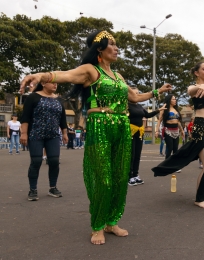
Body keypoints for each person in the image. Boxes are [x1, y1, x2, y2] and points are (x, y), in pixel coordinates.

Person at [20, 30, 172, 245]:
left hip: (121, 127)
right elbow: (66, 75)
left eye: (116, 44)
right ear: (99, 48)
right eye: (111, 44)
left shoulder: (118, 77)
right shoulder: (90, 70)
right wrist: (42, 76)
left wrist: (158, 91)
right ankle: (98, 225)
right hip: (100, 125)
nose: (116, 48)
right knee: (104, 178)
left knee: (120, 177)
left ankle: (112, 221)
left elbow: (135, 97)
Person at [152, 61, 204, 209]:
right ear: (197, 73)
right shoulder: (196, 88)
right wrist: (199, 86)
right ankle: (199, 198)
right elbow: (190, 91)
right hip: (200, 127)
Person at [20, 82, 68, 201]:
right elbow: (25, 116)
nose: (55, 85)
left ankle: (53, 187)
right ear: (43, 83)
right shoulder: (33, 97)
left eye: (56, 83)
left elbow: (62, 118)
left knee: (54, 161)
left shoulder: (59, 99)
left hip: (53, 135)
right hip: (36, 134)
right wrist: (24, 133)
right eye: (52, 83)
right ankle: (33, 190)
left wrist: (65, 133)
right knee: (36, 161)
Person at [128, 87, 166, 186]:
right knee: (131, 155)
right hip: (129, 132)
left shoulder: (139, 106)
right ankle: (129, 176)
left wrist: (159, 110)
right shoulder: (125, 105)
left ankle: (136, 175)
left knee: (137, 154)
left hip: (139, 133)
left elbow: (148, 115)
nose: (136, 95)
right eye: (134, 93)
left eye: (138, 93)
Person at [155, 94, 184, 160]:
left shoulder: (176, 109)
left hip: (176, 131)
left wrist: (182, 130)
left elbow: (178, 121)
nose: (175, 100)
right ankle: (166, 164)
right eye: (173, 99)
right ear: (169, 100)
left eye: (175, 99)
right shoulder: (165, 109)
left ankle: (174, 165)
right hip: (168, 130)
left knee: (175, 149)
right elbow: (159, 121)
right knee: (170, 147)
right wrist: (157, 131)